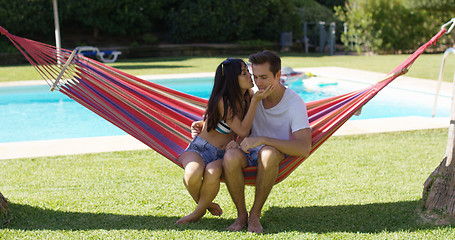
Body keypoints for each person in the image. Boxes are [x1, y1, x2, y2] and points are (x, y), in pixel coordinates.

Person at [222, 50, 312, 233]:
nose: (259, 83)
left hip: (275, 151)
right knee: (230, 155)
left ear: (278, 74)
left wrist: (262, 139)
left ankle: (255, 214)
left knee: (268, 152)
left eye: (264, 77)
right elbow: (232, 120)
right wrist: (231, 140)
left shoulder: (294, 103)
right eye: (255, 77)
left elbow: (303, 148)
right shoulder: (251, 97)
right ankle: (241, 216)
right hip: (249, 151)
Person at [176, 58, 273, 224]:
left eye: (248, 72)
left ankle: (197, 213)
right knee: (192, 174)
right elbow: (241, 129)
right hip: (200, 148)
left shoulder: (248, 96)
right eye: (244, 74)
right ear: (232, 80)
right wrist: (256, 101)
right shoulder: (223, 100)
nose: (250, 76)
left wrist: (255, 100)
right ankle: (207, 204)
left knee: (213, 172)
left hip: (223, 154)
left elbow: (245, 130)